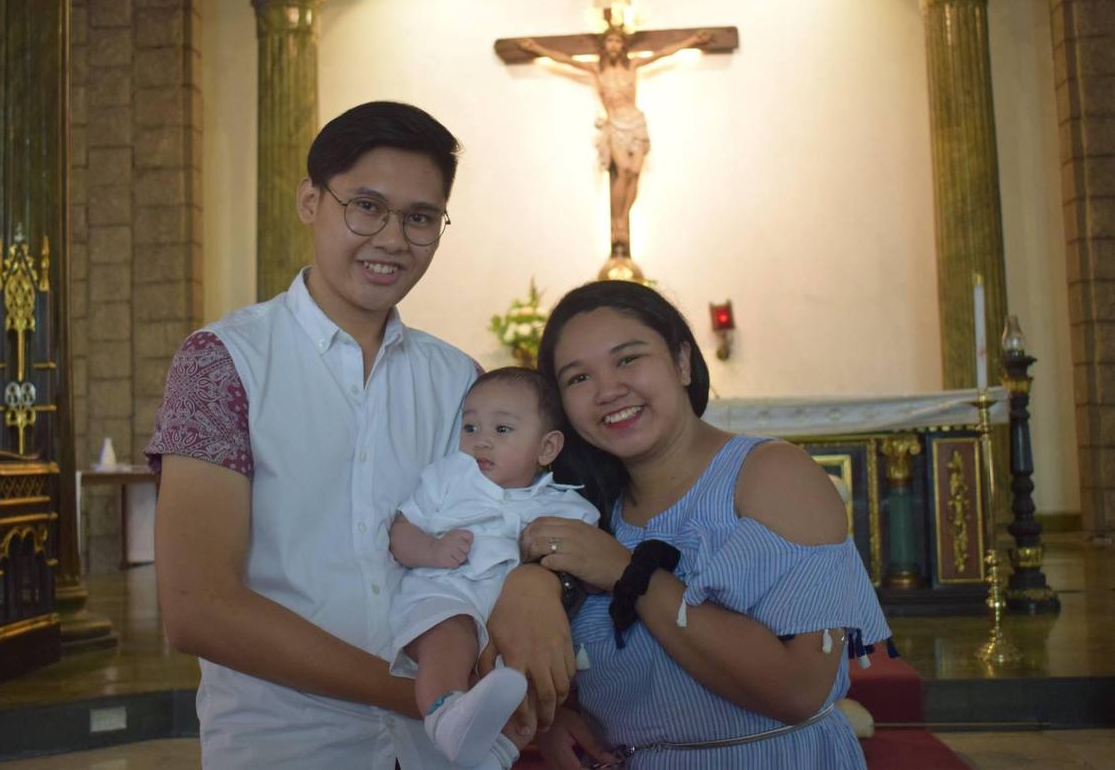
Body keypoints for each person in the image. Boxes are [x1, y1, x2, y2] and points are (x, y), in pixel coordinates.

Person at [147, 102, 565, 769]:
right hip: (288, 748)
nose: (393, 238)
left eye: (420, 218)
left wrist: (530, 587)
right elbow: (198, 607)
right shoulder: (224, 363)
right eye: (367, 207)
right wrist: (422, 698)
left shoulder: (461, 382)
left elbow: (501, 526)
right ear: (310, 201)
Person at [520, 280, 891, 769]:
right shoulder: (586, 508)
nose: (608, 391)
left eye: (628, 359)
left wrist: (629, 573)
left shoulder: (769, 475)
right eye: (578, 378)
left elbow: (801, 689)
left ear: (682, 361)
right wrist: (561, 715)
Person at [388, 367, 600, 768]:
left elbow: (584, 567)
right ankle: (445, 713)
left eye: (502, 429)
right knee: (448, 636)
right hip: (446, 594)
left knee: (526, 670)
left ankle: (499, 751)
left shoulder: (566, 507)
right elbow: (400, 531)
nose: (481, 440)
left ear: (547, 448)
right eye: (470, 427)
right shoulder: (448, 479)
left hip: (513, 621)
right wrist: (432, 549)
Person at [517, 27, 713, 255]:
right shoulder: (596, 69)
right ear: (604, 45)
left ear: (623, 46)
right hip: (616, 126)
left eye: (617, 41)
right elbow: (565, 60)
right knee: (624, 170)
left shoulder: (633, 65)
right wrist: (537, 48)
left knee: (635, 173)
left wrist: (692, 40)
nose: (613, 45)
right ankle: (617, 222)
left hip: (636, 123)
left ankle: (623, 217)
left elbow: (662, 53)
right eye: (609, 41)